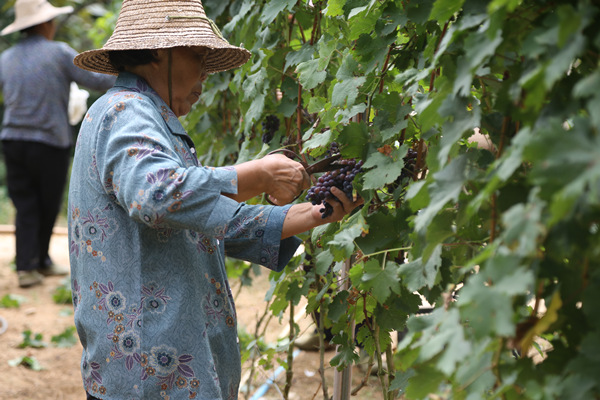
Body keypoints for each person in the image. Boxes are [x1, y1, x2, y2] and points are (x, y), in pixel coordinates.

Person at [68, 0, 363, 399]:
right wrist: (256, 174)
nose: (205, 75)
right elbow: (159, 195)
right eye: (199, 57)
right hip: (151, 377)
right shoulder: (125, 110)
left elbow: (199, 226)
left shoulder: (146, 119)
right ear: (161, 51)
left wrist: (310, 215)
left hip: (162, 372)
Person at [0, 0, 116, 288]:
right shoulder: (59, 53)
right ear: (43, 25)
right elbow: (95, 81)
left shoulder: (6, 58)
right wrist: (128, 72)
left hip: (13, 140)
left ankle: (32, 264)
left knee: (25, 203)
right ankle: (35, 262)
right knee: (47, 202)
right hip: (49, 142)